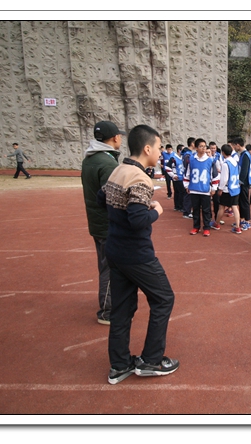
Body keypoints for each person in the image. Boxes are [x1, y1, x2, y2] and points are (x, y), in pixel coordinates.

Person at [97, 124, 179, 385]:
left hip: (115, 250)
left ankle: (119, 365)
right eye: (158, 147)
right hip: (136, 254)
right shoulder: (140, 178)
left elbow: (101, 199)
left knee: (122, 310)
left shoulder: (118, 169)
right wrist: (156, 210)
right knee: (164, 298)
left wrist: (129, 210)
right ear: (147, 148)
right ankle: (151, 360)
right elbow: (138, 220)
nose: (160, 152)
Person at [81, 120, 126, 325]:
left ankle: (109, 300)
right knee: (110, 267)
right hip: (107, 224)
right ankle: (107, 310)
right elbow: (112, 198)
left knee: (105, 264)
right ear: (115, 138)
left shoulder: (90, 158)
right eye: (119, 136)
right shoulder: (107, 164)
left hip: (97, 222)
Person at [184, 138, 218, 237]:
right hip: (194, 189)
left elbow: (215, 175)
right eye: (201, 146)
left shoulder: (210, 160)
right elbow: (187, 174)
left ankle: (206, 228)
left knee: (206, 210)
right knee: (195, 209)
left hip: (205, 190)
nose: (203, 148)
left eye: (204, 146)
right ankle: (196, 227)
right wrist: (186, 185)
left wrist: (214, 188)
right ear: (196, 148)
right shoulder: (191, 159)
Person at [214, 144, 242, 234]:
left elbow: (224, 179)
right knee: (235, 207)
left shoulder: (226, 164)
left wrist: (220, 189)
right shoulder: (235, 162)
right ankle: (238, 227)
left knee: (221, 206)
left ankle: (216, 223)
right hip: (235, 188)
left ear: (223, 152)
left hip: (228, 189)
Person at [233, 137, 251, 231]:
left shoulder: (246, 155)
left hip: (244, 182)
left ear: (238, 145)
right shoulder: (242, 154)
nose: (234, 148)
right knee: (241, 201)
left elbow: (244, 170)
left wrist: (240, 181)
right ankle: (242, 219)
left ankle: (247, 221)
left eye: (234, 146)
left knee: (244, 201)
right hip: (241, 182)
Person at [165, 144, 186, 212]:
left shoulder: (183, 158)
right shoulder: (173, 158)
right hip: (177, 177)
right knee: (180, 192)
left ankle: (177, 206)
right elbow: (167, 167)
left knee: (179, 192)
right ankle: (180, 206)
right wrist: (173, 175)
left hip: (182, 177)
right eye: (182, 150)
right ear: (179, 150)